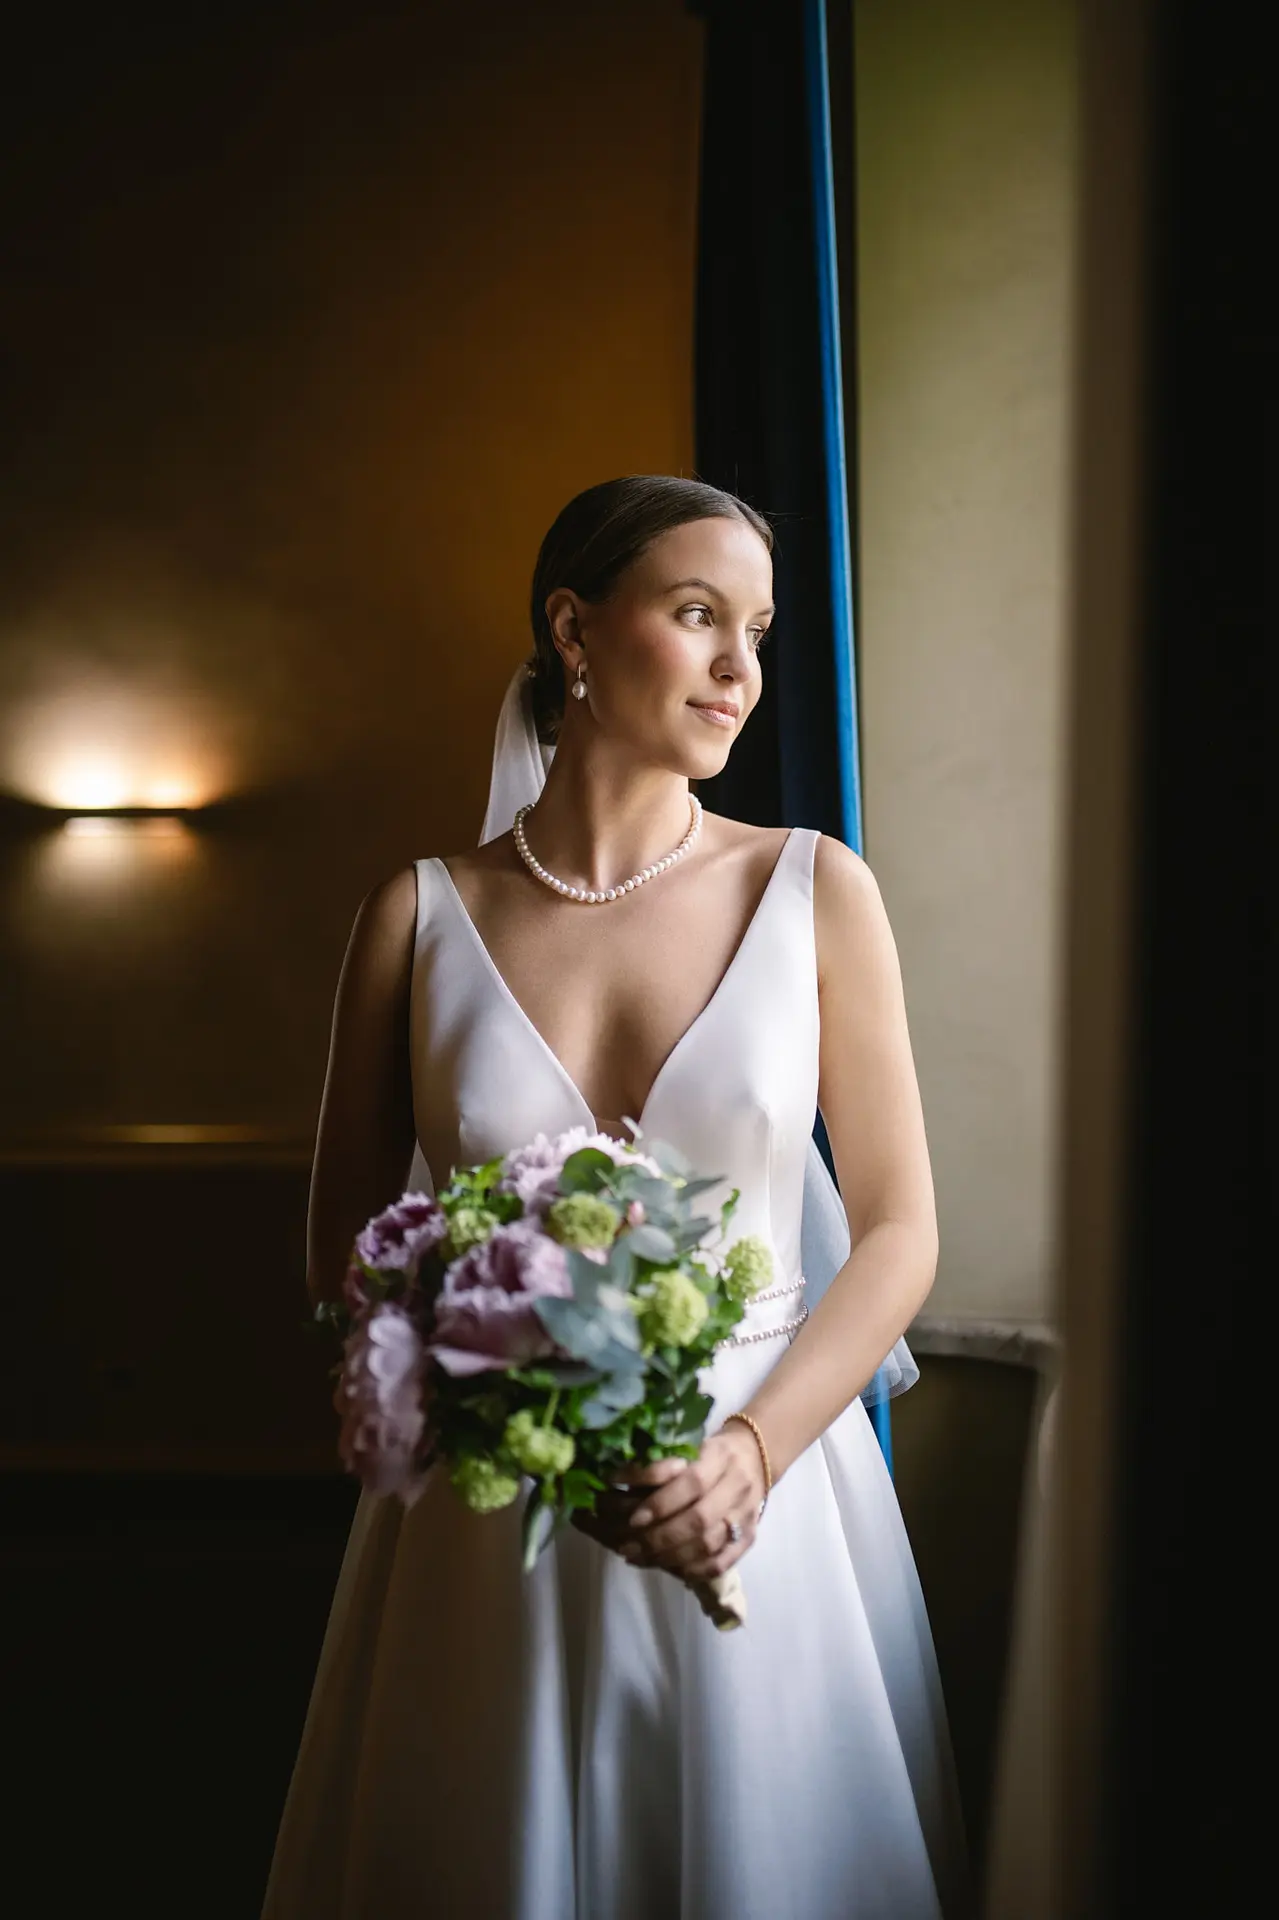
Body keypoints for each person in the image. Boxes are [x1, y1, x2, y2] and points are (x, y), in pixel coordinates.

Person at [262, 476, 970, 1919]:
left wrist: (749, 1459)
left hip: (761, 1488)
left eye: (756, 631)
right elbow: (343, 1255)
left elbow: (898, 1229)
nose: (739, 670)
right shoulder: (414, 915)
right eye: (696, 615)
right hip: (494, 1515)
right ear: (575, 632)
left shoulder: (813, 889)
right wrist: (510, 1406)